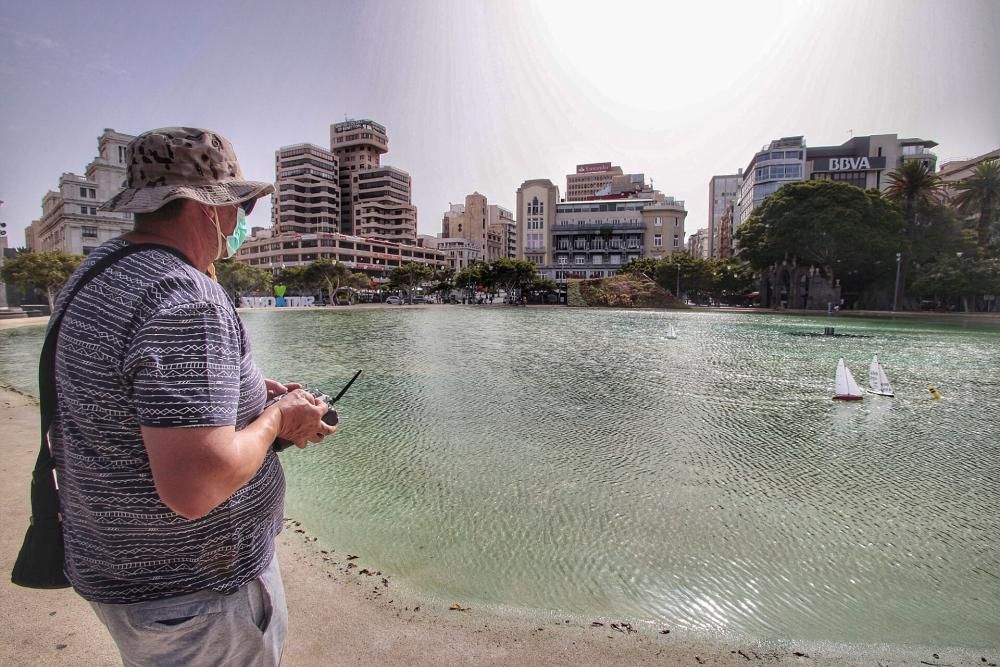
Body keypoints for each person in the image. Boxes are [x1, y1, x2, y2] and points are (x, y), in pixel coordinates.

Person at [48, 127, 336, 666]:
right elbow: (196, 486)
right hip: (198, 594)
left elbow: (126, 401)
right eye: (239, 204)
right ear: (207, 209)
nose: (242, 219)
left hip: (127, 574)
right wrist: (277, 418)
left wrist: (247, 397)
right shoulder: (183, 296)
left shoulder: (96, 272)